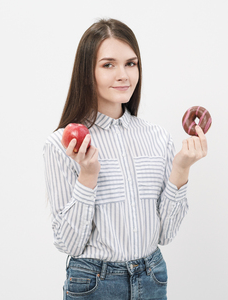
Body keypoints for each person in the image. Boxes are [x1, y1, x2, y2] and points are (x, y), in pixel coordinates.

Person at [43, 18, 208, 300]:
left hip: (151, 276)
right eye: (109, 65)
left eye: (131, 64)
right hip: (94, 282)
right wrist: (88, 176)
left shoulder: (158, 138)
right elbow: (68, 242)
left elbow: (165, 235)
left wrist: (181, 168)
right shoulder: (62, 145)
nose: (124, 75)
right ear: (87, 72)